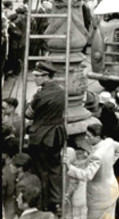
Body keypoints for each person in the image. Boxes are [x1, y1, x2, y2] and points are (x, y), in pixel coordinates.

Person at [25, 61, 66, 214]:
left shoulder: (39, 95)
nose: (35, 79)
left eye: (37, 76)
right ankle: (57, 204)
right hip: (56, 135)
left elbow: (28, 114)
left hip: (40, 137)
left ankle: (42, 204)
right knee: (55, 169)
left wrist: (29, 102)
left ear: (46, 76)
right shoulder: (61, 91)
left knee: (41, 170)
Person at [64, 123, 119, 219]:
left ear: (98, 137)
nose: (86, 138)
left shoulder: (97, 156)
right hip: (112, 190)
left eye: (89, 136)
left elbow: (87, 175)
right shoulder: (109, 142)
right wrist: (109, 163)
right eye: (86, 135)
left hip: (99, 198)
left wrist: (69, 167)